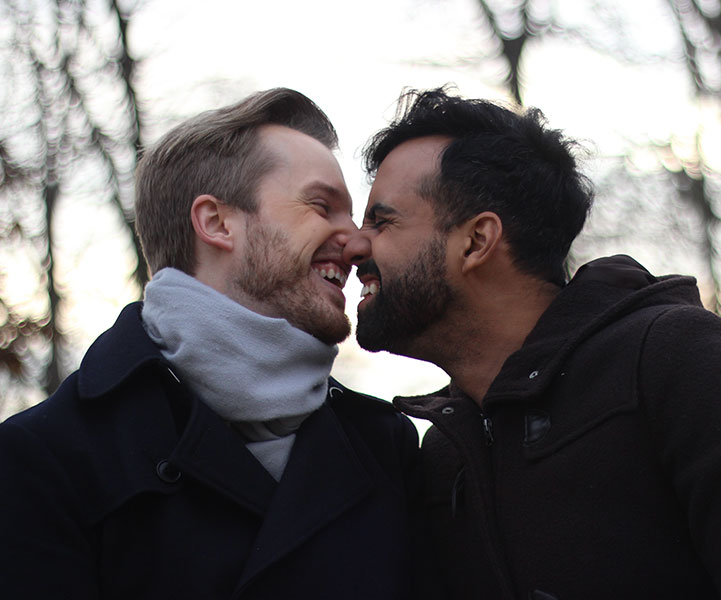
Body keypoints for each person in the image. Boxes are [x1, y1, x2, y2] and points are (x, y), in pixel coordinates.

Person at [342, 87, 721, 599]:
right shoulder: (445, 453)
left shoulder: (674, 360)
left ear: (476, 241)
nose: (354, 244)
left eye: (381, 221)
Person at [0, 88, 420, 599]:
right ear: (218, 222)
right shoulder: (45, 459)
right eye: (321, 206)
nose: (357, 243)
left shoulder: (388, 447)